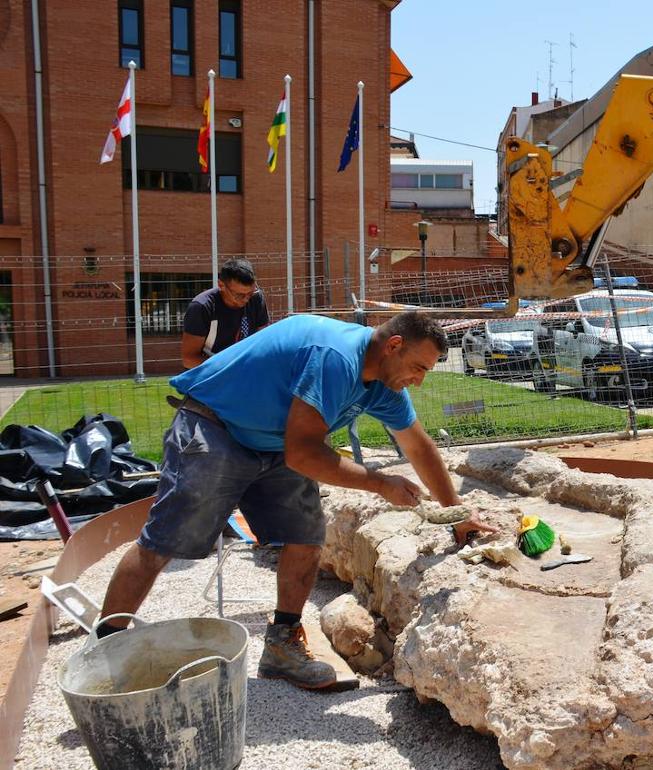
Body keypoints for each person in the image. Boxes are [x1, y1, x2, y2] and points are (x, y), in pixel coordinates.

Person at [97, 311, 497, 690]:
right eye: (420, 368)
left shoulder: (384, 384)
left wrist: (455, 514)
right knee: (163, 542)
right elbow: (303, 454)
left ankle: (281, 648)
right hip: (216, 427)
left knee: (306, 535)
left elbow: (419, 446)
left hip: (273, 443)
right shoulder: (336, 359)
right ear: (393, 345)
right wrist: (378, 483)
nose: (420, 381)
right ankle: (106, 655)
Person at [181, 258, 270, 368]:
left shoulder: (256, 298)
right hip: (210, 373)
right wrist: (230, 368)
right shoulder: (202, 307)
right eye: (239, 295)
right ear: (221, 285)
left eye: (250, 293)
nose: (246, 299)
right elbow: (189, 359)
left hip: (245, 369)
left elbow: (263, 341)